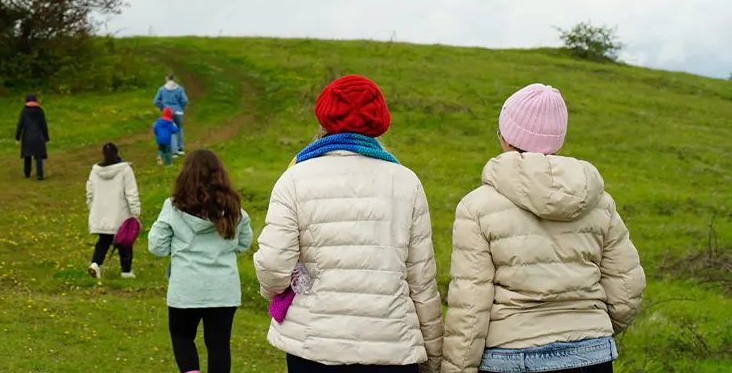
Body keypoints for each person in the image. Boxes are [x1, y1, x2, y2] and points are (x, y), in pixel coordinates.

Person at [443, 84, 645, 373]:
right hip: (592, 353)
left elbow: (470, 305)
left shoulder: (475, 206)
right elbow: (628, 289)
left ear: (506, 138)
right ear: (558, 140)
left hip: (511, 357)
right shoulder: (600, 202)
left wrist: (457, 369)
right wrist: (590, 326)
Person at [254, 75, 442, 372]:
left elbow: (272, 263)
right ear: (378, 122)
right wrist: (433, 354)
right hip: (391, 348)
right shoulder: (407, 182)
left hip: (314, 347)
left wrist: (277, 293)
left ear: (325, 119)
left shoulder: (294, 178)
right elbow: (421, 281)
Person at [149, 149, 253, 373]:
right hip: (223, 288)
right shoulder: (234, 210)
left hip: (186, 287)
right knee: (219, 346)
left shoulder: (173, 208)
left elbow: (156, 246)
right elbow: (244, 243)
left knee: (182, 338)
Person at [86, 142, 142, 279]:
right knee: (125, 241)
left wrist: (92, 208)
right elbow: (131, 192)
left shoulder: (95, 171)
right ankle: (126, 271)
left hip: (101, 212)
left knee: (103, 240)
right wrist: (135, 212)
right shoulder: (125, 170)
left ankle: (95, 264)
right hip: (120, 212)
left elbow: (90, 192)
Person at [15, 93, 50, 180]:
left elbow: (20, 124)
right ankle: (39, 175)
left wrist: (17, 137)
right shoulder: (40, 111)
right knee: (38, 157)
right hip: (39, 136)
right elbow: (43, 125)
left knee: (27, 155)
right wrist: (46, 137)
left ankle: (27, 173)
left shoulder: (24, 111)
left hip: (27, 136)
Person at [154, 73, 190, 153]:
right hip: (178, 111)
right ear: (173, 79)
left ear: (166, 78)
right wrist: (181, 107)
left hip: (167, 113)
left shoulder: (162, 89)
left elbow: (156, 101)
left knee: (170, 130)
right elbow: (185, 100)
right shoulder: (179, 89)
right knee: (179, 129)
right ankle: (180, 148)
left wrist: (162, 107)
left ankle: (174, 150)